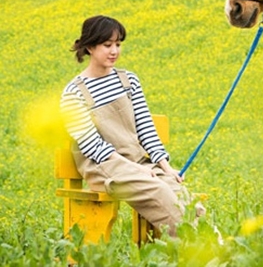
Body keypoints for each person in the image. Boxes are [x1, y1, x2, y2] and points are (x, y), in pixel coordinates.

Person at [60, 15, 199, 237]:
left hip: (136, 162)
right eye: (107, 45)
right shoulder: (74, 93)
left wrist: (164, 167)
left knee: (182, 196)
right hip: (104, 166)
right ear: (89, 47)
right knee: (159, 191)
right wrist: (137, 169)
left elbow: (145, 129)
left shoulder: (128, 80)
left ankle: (214, 250)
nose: (114, 50)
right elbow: (93, 147)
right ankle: (202, 251)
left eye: (118, 44)